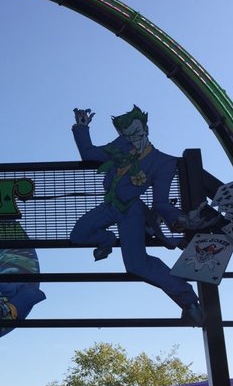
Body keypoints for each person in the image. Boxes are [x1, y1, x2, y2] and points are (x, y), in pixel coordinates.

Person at [70, 105, 207, 326]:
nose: (133, 138)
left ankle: (189, 302)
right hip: (110, 205)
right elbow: (89, 154)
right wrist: (81, 127)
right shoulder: (120, 146)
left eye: (137, 132)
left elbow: (161, 203)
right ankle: (107, 239)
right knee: (78, 234)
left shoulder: (163, 162)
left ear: (146, 128)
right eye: (127, 134)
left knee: (137, 264)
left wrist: (180, 219)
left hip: (132, 212)